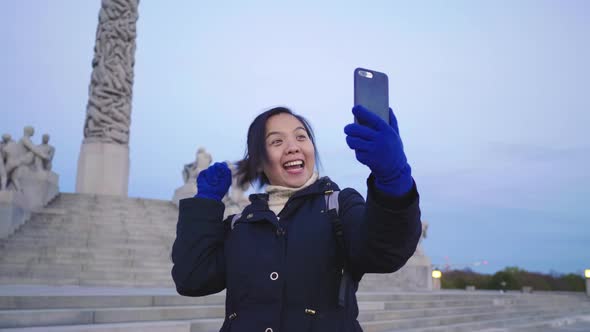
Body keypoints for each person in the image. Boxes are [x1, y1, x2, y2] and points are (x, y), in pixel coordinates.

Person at [171, 105, 422, 332]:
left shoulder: (339, 206)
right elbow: (192, 279)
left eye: (301, 137)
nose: (293, 146)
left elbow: (386, 252)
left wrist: (393, 178)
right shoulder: (241, 224)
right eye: (276, 141)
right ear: (258, 160)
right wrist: (205, 204)